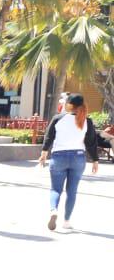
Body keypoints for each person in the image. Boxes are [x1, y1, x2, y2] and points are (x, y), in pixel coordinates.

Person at [38, 93, 100, 231]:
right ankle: (66, 221)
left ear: (68, 104)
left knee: (55, 189)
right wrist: (95, 160)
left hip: (59, 157)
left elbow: (49, 136)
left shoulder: (58, 118)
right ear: (82, 105)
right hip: (78, 157)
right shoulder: (87, 121)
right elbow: (91, 143)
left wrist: (44, 153)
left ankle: (53, 210)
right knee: (72, 191)